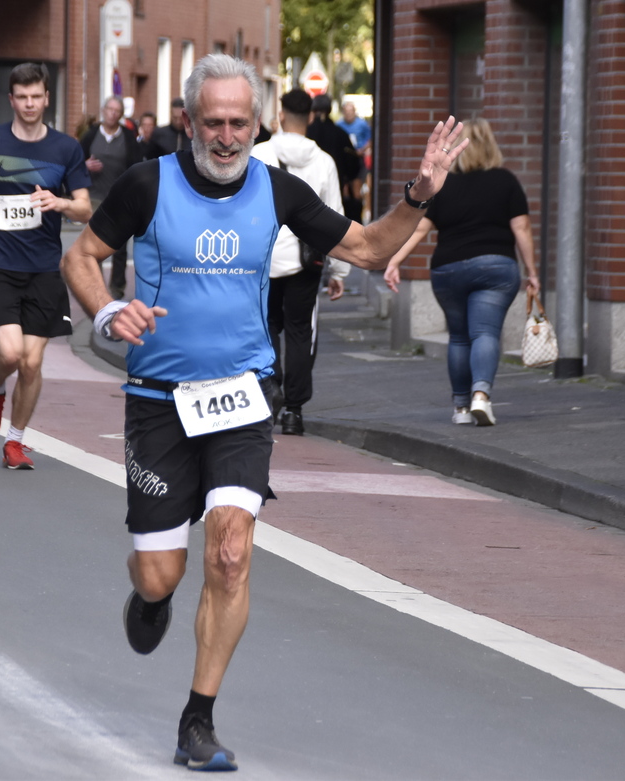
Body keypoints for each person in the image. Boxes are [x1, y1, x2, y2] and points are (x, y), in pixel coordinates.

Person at [60, 53, 466, 771]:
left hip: (241, 398)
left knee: (231, 552)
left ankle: (198, 719)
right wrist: (109, 310)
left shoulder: (277, 190)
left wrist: (418, 194)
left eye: (239, 122)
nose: (225, 136)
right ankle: (149, 598)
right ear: (188, 121)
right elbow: (82, 257)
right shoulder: (147, 184)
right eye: (212, 122)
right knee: (161, 573)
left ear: (259, 123)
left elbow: (369, 248)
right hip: (157, 401)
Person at [0, 63, 91, 470]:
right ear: (12, 100)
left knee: (32, 361)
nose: (29, 104)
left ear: (46, 99)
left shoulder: (65, 148)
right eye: (21, 97)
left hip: (43, 266)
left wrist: (59, 203)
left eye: (35, 97)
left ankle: (16, 441)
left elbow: (84, 206)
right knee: (9, 354)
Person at [384, 118, 539, 426]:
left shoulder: (443, 186)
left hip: (448, 269)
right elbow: (521, 227)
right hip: (495, 267)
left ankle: (460, 408)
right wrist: (532, 272)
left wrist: (394, 261)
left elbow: (419, 229)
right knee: (485, 332)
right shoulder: (506, 181)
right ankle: (481, 395)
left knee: (458, 337)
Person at [250, 88, 350, 436]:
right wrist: (339, 270)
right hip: (306, 263)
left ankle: (270, 388)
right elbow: (336, 217)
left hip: (260, 259)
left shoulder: (257, 154)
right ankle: (294, 410)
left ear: (280, 113)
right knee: (300, 331)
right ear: (310, 117)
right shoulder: (324, 162)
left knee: (265, 326)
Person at [79, 96, 146, 298]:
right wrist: (85, 166)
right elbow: (74, 162)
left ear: (121, 114)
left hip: (120, 198)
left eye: (117, 111)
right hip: (94, 197)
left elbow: (136, 166)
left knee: (119, 248)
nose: (112, 114)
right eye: (109, 109)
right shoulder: (91, 135)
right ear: (103, 110)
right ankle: (97, 288)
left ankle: (117, 289)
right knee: (94, 245)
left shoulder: (127, 136)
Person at [306, 93, 361, 222]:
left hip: (307, 187)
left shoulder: (307, 132)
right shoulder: (340, 134)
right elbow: (353, 166)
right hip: (335, 186)